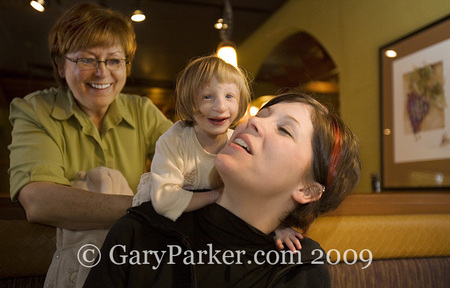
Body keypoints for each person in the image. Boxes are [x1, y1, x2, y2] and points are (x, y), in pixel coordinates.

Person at [84, 92, 361, 287]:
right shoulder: (142, 230)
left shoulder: (298, 269)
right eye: (262, 114)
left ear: (308, 190)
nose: (252, 121)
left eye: (285, 130)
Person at [8, 3, 172, 287]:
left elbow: (189, 161)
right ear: (60, 65)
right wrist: (150, 207)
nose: (102, 73)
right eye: (87, 59)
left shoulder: (142, 111)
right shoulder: (34, 110)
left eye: (114, 60)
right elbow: (39, 202)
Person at [132, 55, 303, 251]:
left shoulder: (237, 142)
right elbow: (164, 201)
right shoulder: (174, 141)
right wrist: (215, 196)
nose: (220, 107)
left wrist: (277, 227)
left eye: (229, 96)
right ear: (190, 101)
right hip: (160, 227)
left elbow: (255, 193)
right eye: (207, 97)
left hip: (209, 231)